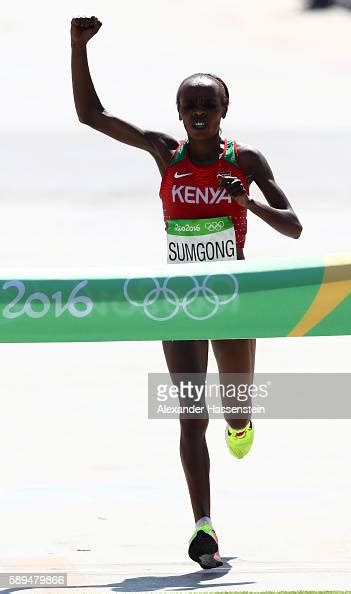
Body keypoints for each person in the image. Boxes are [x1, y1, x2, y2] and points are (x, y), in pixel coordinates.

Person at [70, 15, 303, 570]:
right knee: (190, 414)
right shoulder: (165, 154)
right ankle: (204, 529)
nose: (199, 113)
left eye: (210, 105)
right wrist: (77, 47)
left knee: (236, 403)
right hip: (179, 297)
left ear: (224, 112)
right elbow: (90, 115)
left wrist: (246, 203)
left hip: (235, 297)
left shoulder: (244, 162)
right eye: (190, 105)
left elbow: (294, 225)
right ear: (179, 114)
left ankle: (241, 423)